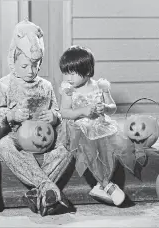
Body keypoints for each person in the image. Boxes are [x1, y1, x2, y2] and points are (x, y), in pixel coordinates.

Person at [0, 19, 75, 216]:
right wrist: (11, 115)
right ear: (13, 61)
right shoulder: (5, 84)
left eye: (35, 65)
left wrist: (54, 116)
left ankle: (40, 193)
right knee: (2, 146)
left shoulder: (45, 86)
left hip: (46, 139)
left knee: (69, 148)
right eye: (25, 65)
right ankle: (48, 188)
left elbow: (59, 113)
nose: (31, 70)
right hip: (15, 138)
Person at [58, 45, 137, 206]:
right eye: (65, 72)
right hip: (79, 126)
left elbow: (112, 107)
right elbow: (64, 112)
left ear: (87, 72)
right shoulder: (69, 90)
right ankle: (106, 185)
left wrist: (105, 108)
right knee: (90, 148)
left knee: (115, 146)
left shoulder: (99, 86)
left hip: (100, 125)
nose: (68, 77)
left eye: (72, 73)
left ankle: (102, 185)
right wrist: (82, 111)